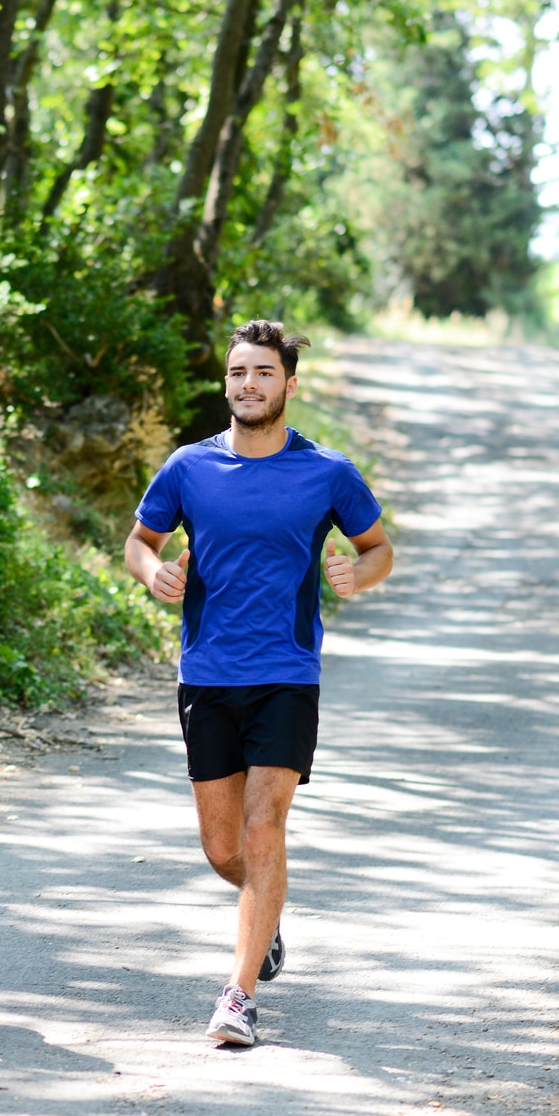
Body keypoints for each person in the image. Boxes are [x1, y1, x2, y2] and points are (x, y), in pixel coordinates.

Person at [123, 320, 393, 1048]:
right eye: (238, 373)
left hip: (285, 672)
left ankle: (237, 994)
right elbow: (139, 543)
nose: (249, 385)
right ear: (226, 384)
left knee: (261, 826)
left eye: (263, 373)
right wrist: (157, 575)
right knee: (221, 849)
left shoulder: (325, 472)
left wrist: (354, 575)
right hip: (206, 672)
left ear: (288, 385)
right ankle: (262, 918)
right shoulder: (187, 467)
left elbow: (377, 550)